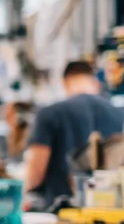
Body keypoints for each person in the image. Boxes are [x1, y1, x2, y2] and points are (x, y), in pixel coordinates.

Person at [24, 59, 124, 207]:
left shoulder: (49, 113)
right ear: (95, 82)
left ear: (65, 82)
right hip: (109, 214)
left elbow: (35, 175)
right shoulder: (119, 114)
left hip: (60, 213)